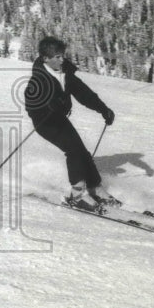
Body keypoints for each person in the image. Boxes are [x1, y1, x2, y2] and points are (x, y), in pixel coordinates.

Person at [24, 36, 117, 212]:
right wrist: (48, 107)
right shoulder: (38, 79)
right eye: (57, 57)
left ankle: (94, 187)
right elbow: (31, 105)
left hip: (60, 119)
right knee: (73, 150)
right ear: (46, 59)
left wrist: (103, 109)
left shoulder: (65, 73)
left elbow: (84, 94)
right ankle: (77, 194)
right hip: (45, 123)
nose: (62, 60)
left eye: (62, 56)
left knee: (81, 151)